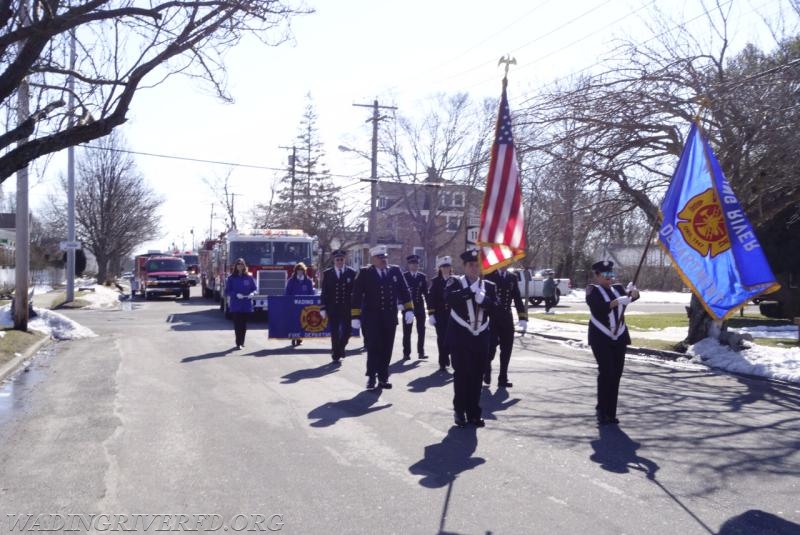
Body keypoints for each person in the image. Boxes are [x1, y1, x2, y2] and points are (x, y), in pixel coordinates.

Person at [446, 249, 499, 428]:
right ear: (464, 266)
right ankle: (459, 411)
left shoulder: (489, 286)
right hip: (460, 337)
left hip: (481, 337)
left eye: (477, 265)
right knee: (462, 375)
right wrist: (469, 292)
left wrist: (483, 300)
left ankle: (474, 412)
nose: (474, 268)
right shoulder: (454, 282)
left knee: (477, 376)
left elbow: (496, 307)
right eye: (470, 265)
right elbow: (450, 299)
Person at [351, 245, 414, 390]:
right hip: (372, 317)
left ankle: (383, 378)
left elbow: (404, 290)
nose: (384, 260)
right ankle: (372, 377)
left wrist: (409, 309)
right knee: (374, 347)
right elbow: (356, 295)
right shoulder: (365, 273)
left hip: (389, 316)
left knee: (387, 347)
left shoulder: (395, 271)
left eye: (385, 257)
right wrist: (355, 316)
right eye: (380, 258)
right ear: (373, 259)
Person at [586, 260, 640, 426]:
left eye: (611, 274)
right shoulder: (592, 290)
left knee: (616, 374)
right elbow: (598, 308)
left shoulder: (618, 288)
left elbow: (631, 298)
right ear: (597, 275)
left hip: (620, 336)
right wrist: (616, 303)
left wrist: (634, 293)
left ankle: (611, 412)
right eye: (605, 275)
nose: (610, 278)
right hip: (601, 337)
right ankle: (602, 410)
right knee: (606, 372)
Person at [484, 267, 528, 388]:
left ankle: (503, 377)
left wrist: (522, 317)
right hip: (492, 317)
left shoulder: (512, 277)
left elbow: (517, 298)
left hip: (507, 317)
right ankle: (486, 368)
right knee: (491, 347)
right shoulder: (489, 276)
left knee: (507, 348)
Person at [320, 250, 356, 362]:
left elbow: (355, 292)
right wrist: (323, 307)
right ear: (334, 260)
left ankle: (341, 348)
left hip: (347, 307)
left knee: (347, 331)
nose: (340, 261)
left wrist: (356, 308)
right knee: (334, 332)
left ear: (344, 259)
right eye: (337, 259)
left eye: (341, 259)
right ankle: (336, 354)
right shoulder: (327, 273)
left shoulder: (352, 272)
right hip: (333, 307)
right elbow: (324, 292)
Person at [427, 256, 453, 372]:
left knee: (451, 338)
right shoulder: (435, 281)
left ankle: (447, 355)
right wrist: (431, 313)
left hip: (452, 315)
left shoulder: (455, 280)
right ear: (440, 268)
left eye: (448, 267)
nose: (446, 269)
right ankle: (442, 361)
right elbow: (431, 298)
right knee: (441, 338)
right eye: (444, 267)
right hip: (440, 314)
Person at [224, 257, 257, 350]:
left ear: (244, 266)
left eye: (242, 264)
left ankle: (242, 342)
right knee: (237, 325)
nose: (240, 266)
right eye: (238, 264)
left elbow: (254, 288)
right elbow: (227, 291)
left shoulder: (249, 277)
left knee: (244, 325)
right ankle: (238, 343)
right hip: (236, 305)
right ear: (236, 266)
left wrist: (252, 293)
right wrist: (235, 294)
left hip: (246, 305)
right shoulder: (231, 278)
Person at [401, 254, 430, 361]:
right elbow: (400, 292)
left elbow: (426, 293)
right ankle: (406, 353)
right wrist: (400, 303)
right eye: (412, 263)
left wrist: (430, 309)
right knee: (407, 331)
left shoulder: (422, 276)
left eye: (416, 263)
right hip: (408, 306)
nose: (414, 265)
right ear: (408, 265)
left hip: (419, 306)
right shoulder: (404, 276)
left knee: (421, 330)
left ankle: (421, 352)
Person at [285, 262, 314, 347]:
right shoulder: (291, 280)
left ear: (304, 271)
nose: (300, 271)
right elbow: (287, 292)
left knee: (303, 321)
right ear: (296, 271)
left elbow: (311, 293)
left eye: (301, 270)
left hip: (304, 306)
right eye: (298, 270)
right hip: (294, 305)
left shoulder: (308, 281)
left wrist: (310, 302)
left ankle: (300, 338)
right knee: (294, 322)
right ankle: (293, 338)